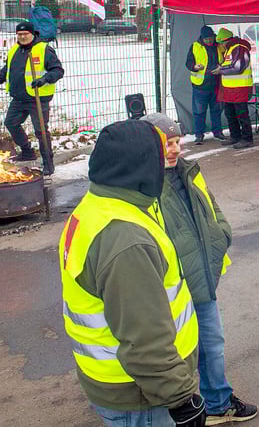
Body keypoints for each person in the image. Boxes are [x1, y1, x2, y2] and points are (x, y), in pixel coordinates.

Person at [58, 119, 206, 427]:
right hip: (143, 395)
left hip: (116, 382)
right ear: (143, 168)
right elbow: (144, 342)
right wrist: (181, 399)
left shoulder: (98, 206)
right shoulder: (125, 240)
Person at [142, 113, 258, 425]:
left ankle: (218, 403)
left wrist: (223, 233)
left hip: (203, 280)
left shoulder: (189, 170)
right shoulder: (144, 186)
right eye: (166, 143)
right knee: (177, 354)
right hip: (172, 289)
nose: (174, 149)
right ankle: (176, 409)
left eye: (177, 142)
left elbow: (212, 204)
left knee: (212, 345)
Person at [0, 21, 64, 175]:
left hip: (38, 99)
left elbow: (58, 70)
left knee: (41, 131)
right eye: (19, 34)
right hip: (19, 98)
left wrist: (45, 79)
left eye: (25, 34)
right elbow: (7, 69)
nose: (22, 37)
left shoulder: (43, 49)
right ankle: (27, 151)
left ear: (32, 34)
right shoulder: (15, 49)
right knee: (11, 123)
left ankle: (48, 163)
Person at [213, 28, 254, 149]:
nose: (220, 45)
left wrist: (221, 70)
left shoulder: (240, 48)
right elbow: (230, 65)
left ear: (226, 40)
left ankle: (247, 138)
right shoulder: (230, 49)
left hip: (240, 88)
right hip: (229, 88)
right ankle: (235, 136)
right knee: (230, 113)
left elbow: (238, 67)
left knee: (241, 114)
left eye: (221, 43)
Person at [187, 26, 227, 146]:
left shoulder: (220, 46)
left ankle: (218, 132)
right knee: (199, 112)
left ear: (214, 37)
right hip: (200, 86)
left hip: (216, 84)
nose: (209, 41)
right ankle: (199, 135)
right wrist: (194, 67)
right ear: (202, 38)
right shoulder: (195, 46)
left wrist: (221, 68)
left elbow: (226, 61)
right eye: (207, 39)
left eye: (211, 38)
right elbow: (188, 62)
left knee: (217, 110)